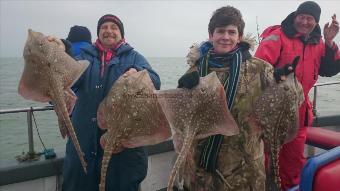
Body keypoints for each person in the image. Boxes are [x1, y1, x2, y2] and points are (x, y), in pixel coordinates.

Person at [177, 6, 280, 190]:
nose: (226, 36)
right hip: (203, 166)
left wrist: (285, 82)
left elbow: (283, 105)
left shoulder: (260, 69)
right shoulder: (196, 70)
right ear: (211, 35)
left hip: (245, 165)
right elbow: (181, 117)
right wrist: (182, 89)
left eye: (232, 32)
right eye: (220, 31)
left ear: (239, 36)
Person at [60, 14, 161, 191]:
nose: (109, 31)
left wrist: (138, 73)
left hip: (124, 142)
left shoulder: (134, 57)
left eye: (114, 28)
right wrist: (63, 50)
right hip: (84, 140)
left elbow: (154, 80)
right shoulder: (84, 57)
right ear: (98, 33)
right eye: (104, 27)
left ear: (121, 34)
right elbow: (68, 77)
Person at [255, 1, 340, 190]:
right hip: (270, 110)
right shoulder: (277, 36)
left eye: (310, 19)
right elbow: (256, 70)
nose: (304, 22)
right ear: (295, 16)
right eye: (302, 17)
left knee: (292, 165)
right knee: (262, 159)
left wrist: (329, 42)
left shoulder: (318, 41)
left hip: (299, 112)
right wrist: (275, 74)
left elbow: (330, 69)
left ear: (316, 22)